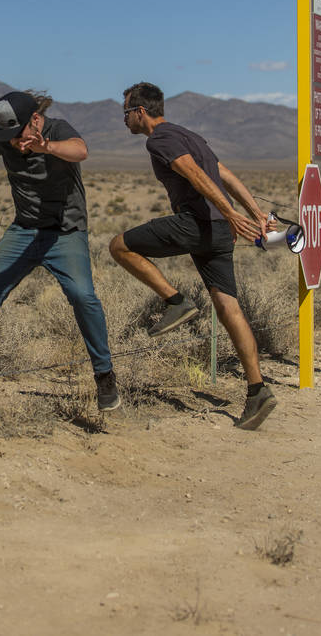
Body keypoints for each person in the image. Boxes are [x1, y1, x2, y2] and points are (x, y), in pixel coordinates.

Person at [0, 90, 120, 416]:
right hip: (24, 229)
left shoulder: (56, 130)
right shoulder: (3, 135)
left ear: (36, 121)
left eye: (19, 135)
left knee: (82, 296)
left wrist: (47, 147)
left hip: (65, 233)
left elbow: (81, 150)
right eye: (8, 137)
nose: (13, 142)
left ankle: (104, 374)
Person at [109, 82, 277, 430]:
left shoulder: (159, 139)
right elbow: (225, 173)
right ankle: (257, 390)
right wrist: (255, 213)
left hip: (197, 223)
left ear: (140, 112)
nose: (124, 119)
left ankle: (176, 301)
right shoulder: (190, 134)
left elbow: (196, 174)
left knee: (119, 246)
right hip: (218, 233)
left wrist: (231, 214)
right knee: (228, 306)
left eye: (126, 112)